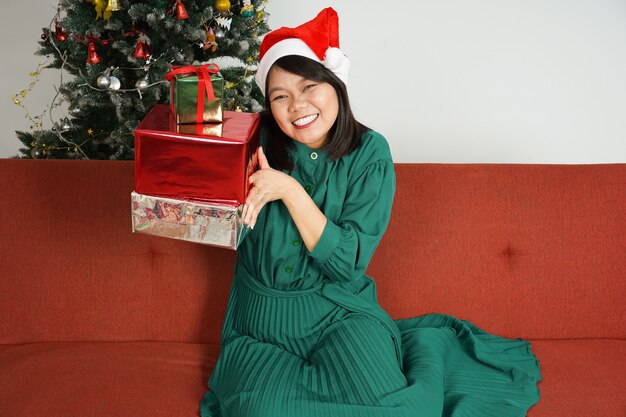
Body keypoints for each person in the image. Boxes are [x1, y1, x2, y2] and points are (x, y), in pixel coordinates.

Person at [200, 8, 541, 417]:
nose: (297, 106)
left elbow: (346, 263)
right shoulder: (251, 142)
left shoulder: (370, 153)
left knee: (401, 411)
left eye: (310, 87)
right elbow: (201, 204)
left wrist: (290, 191)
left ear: (336, 85)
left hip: (338, 313)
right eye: (280, 96)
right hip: (259, 325)